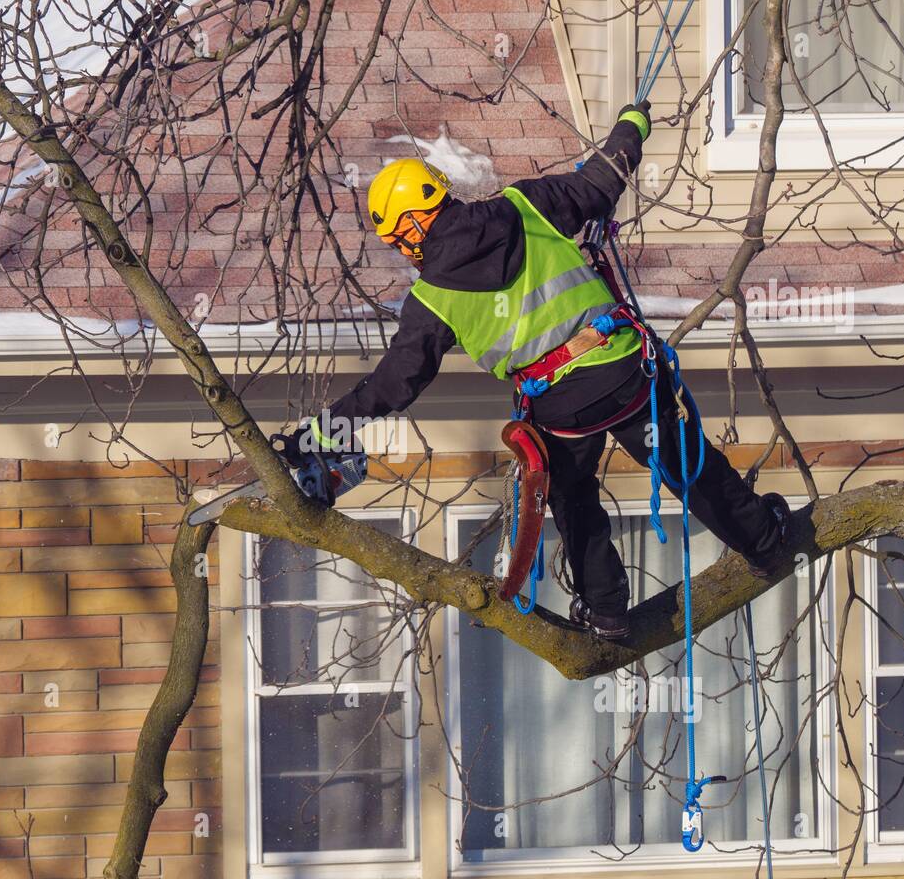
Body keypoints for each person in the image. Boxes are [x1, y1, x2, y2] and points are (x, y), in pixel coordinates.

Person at [276, 102, 790, 639]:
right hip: (625, 373)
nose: (403, 252)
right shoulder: (524, 206)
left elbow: (393, 384)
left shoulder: (431, 301)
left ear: (412, 222)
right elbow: (599, 183)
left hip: (561, 408)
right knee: (689, 464)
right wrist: (632, 125)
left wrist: (321, 430)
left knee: (572, 498)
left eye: (398, 240)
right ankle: (763, 541)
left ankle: (607, 609)